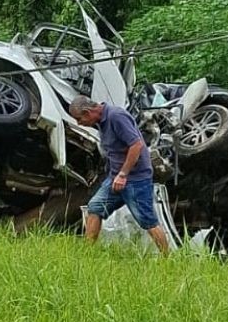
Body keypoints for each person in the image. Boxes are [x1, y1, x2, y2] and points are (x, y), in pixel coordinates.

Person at [68, 94, 170, 256]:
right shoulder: (101, 122)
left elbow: (136, 145)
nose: (80, 123)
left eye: (79, 119)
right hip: (115, 178)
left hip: (135, 179)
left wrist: (123, 174)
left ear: (88, 112)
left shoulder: (116, 116)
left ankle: (168, 258)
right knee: (95, 207)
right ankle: (85, 254)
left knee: (147, 221)